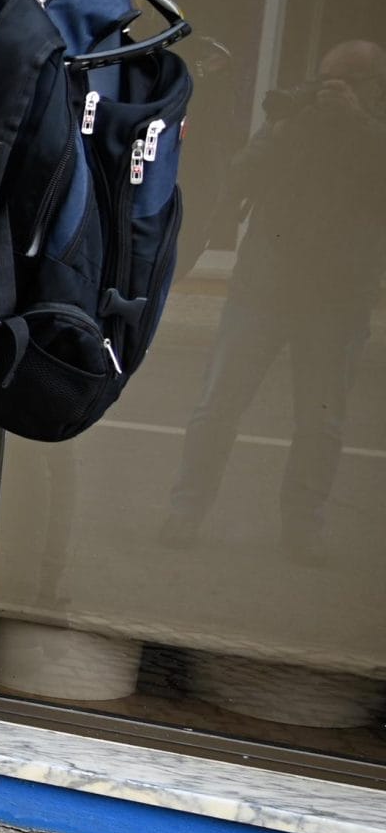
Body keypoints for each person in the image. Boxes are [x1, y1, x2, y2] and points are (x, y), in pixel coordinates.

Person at [163, 38, 386, 560]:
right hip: (263, 288)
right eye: (328, 79)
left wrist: (357, 125)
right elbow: (238, 176)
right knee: (216, 408)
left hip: (338, 299)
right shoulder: (293, 120)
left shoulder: (374, 134)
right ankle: (185, 513)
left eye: (349, 82)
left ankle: (301, 530)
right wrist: (287, 128)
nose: (335, 90)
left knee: (320, 421)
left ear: (373, 88)